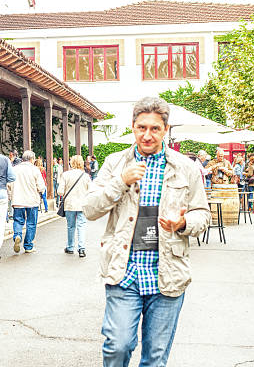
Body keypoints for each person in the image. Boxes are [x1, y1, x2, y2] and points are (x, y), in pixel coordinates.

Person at [83, 97, 210, 367]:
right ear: (133, 127)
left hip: (167, 274)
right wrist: (121, 181)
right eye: (142, 128)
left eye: (154, 128)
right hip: (124, 272)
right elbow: (90, 209)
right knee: (117, 346)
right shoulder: (116, 163)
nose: (147, 135)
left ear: (166, 129)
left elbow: (203, 214)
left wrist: (183, 224)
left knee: (154, 359)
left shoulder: (185, 168)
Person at [9, 151, 45, 254]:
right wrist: (41, 192)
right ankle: (28, 246)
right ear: (31, 159)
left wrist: (11, 194)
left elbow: (9, 184)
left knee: (18, 221)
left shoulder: (15, 169)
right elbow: (41, 186)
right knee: (31, 223)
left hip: (18, 200)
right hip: (32, 201)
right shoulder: (35, 170)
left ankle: (17, 235)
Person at [57, 155, 90, 257]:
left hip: (70, 205)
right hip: (82, 204)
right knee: (81, 226)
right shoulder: (85, 176)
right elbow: (91, 191)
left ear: (71, 162)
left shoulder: (66, 175)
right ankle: (81, 249)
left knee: (70, 226)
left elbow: (60, 192)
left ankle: (70, 247)